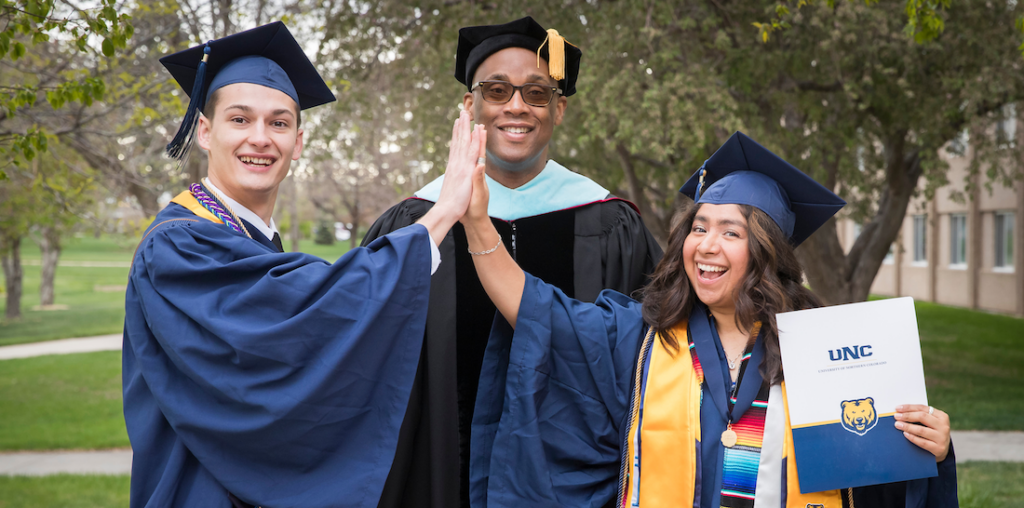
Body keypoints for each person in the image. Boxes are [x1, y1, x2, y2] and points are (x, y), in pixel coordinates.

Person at [460, 131, 958, 507]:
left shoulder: (823, 350)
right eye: (698, 228)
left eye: (731, 233)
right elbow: (539, 312)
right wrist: (478, 222)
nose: (707, 246)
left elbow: (877, 469)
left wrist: (930, 447)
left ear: (765, 252)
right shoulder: (639, 336)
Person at [123, 22, 486, 508]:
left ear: (299, 140)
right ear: (205, 131)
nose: (260, 138)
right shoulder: (177, 248)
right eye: (239, 119)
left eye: (278, 123)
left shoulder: (249, 240)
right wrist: (443, 213)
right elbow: (307, 311)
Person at [362, 16, 664, 508]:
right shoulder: (416, 222)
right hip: (435, 478)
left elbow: (647, 353)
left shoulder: (610, 222)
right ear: (470, 105)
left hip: (574, 480)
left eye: (537, 93)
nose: (516, 106)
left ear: (559, 109)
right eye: (497, 90)